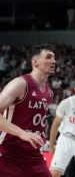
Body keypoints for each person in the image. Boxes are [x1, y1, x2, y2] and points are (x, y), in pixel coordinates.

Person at [0, 44, 55, 177]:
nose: (53, 61)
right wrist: (21, 132)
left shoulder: (49, 92)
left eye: (54, 58)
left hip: (33, 156)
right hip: (7, 155)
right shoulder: (20, 84)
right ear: (35, 62)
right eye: (48, 57)